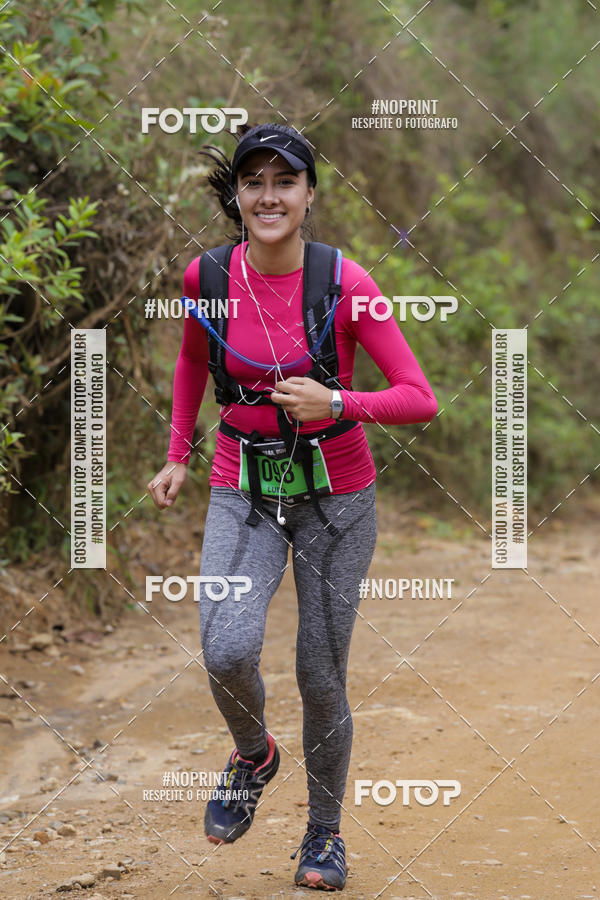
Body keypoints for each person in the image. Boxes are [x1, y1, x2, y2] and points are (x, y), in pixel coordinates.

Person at [147, 122, 437, 892]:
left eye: (285, 181)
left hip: (338, 497)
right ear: (238, 195)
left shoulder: (347, 284)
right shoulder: (206, 277)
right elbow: (189, 359)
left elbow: (419, 398)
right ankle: (253, 753)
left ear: (311, 195)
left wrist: (337, 399)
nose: (269, 196)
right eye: (254, 182)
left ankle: (323, 837)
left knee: (319, 672)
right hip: (241, 487)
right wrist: (178, 453)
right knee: (226, 649)